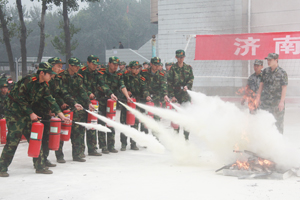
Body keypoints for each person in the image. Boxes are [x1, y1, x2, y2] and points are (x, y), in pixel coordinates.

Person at [0, 62, 71, 177]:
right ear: (42, 73)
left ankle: (40, 166)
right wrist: (31, 113)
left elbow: (51, 100)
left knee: (35, 138)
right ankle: (2, 168)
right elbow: (19, 98)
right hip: (14, 112)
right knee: (13, 140)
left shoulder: (44, 85)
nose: (52, 76)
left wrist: (61, 115)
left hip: (26, 112)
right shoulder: (28, 81)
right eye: (49, 74)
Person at [46, 57, 83, 164]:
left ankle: (76, 154)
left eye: (61, 66)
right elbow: (46, 97)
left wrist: (74, 103)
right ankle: (48, 158)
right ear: (51, 66)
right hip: (49, 110)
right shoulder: (44, 80)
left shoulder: (57, 79)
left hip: (61, 109)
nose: (60, 68)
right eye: (58, 66)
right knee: (50, 135)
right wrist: (52, 108)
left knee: (73, 131)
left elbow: (63, 93)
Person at [59, 57, 94, 162]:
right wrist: (62, 103)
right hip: (64, 106)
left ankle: (77, 154)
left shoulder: (78, 77)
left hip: (76, 106)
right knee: (63, 131)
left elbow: (82, 91)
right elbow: (60, 91)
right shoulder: (61, 77)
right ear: (70, 66)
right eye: (75, 66)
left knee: (78, 131)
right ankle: (59, 156)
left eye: (79, 66)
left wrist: (88, 103)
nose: (78, 68)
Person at [95, 56, 131, 154]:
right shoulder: (101, 73)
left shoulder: (118, 74)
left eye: (117, 65)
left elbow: (122, 85)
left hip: (112, 102)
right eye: (114, 64)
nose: (116, 67)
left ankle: (111, 145)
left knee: (111, 122)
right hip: (103, 101)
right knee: (102, 123)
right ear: (109, 63)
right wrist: (110, 93)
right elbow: (103, 85)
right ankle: (103, 146)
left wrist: (127, 97)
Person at [120, 61, 150, 151]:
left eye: (138, 68)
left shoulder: (141, 78)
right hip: (126, 103)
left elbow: (144, 89)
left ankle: (133, 144)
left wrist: (147, 95)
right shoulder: (125, 76)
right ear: (130, 68)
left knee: (135, 124)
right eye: (134, 68)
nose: (136, 70)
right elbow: (121, 85)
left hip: (136, 104)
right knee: (124, 123)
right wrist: (127, 93)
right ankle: (123, 144)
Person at [256, 53, 288, 134]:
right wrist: (258, 97)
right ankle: (267, 141)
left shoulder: (282, 73)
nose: (268, 61)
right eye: (267, 60)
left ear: (276, 60)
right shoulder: (265, 71)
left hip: (276, 102)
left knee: (278, 123)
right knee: (264, 121)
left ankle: (278, 142)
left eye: (270, 60)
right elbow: (261, 84)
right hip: (266, 101)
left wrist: (281, 102)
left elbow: (284, 87)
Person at [77, 55, 103, 157]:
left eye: (96, 64)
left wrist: (110, 93)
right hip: (81, 103)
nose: (94, 66)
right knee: (82, 126)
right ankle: (81, 151)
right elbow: (80, 86)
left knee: (92, 125)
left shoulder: (97, 73)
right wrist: (88, 93)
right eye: (93, 64)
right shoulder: (81, 72)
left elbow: (102, 84)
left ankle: (92, 149)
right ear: (87, 63)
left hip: (93, 103)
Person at [167, 50, 194, 140]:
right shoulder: (173, 68)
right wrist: (172, 95)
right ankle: (176, 138)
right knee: (176, 118)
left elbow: (191, 79)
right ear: (176, 57)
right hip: (176, 95)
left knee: (186, 117)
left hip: (185, 95)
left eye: (182, 57)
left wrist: (187, 86)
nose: (180, 59)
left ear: (184, 57)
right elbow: (169, 83)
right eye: (178, 57)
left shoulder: (188, 68)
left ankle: (186, 138)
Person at [140, 57, 169, 134]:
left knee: (156, 118)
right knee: (145, 119)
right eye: (155, 65)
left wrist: (165, 95)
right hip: (146, 99)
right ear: (151, 64)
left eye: (158, 65)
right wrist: (146, 95)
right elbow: (143, 85)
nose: (157, 67)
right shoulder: (144, 73)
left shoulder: (161, 74)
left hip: (156, 98)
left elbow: (163, 85)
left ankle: (156, 139)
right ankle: (145, 139)